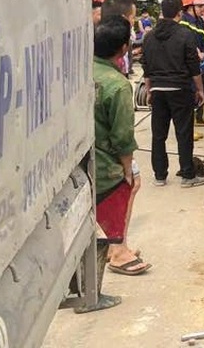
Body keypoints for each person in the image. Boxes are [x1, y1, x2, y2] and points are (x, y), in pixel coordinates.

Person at [89, 17, 148, 308]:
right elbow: (123, 136)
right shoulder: (117, 84)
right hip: (104, 163)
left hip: (81, 157)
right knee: (128, 186)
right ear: (124, 48)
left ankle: (115, 247)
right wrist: (129, 168)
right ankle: (119, 249)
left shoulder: (80, 71)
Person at [141, 0, 204, 188]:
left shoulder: (150, 36)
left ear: (161, 12)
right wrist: (200, 89)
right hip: (180, 89)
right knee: (184, 133)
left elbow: (146, 67)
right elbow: (193, 66)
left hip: (157, 89)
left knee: (158, 135)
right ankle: (188, 176)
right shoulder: (184, 34)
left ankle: (160, 176)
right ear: (180, 13)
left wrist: (149, 90)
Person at [180, 0, 204, 133]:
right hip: (191, 63)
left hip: (202, 62)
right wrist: (196, 52)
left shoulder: (199, 20)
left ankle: (200, 117)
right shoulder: (184, 22)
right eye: (200, 6)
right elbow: (185, 41)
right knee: (192, 92)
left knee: (203, 89)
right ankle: (190, 124)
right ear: (190, 7)